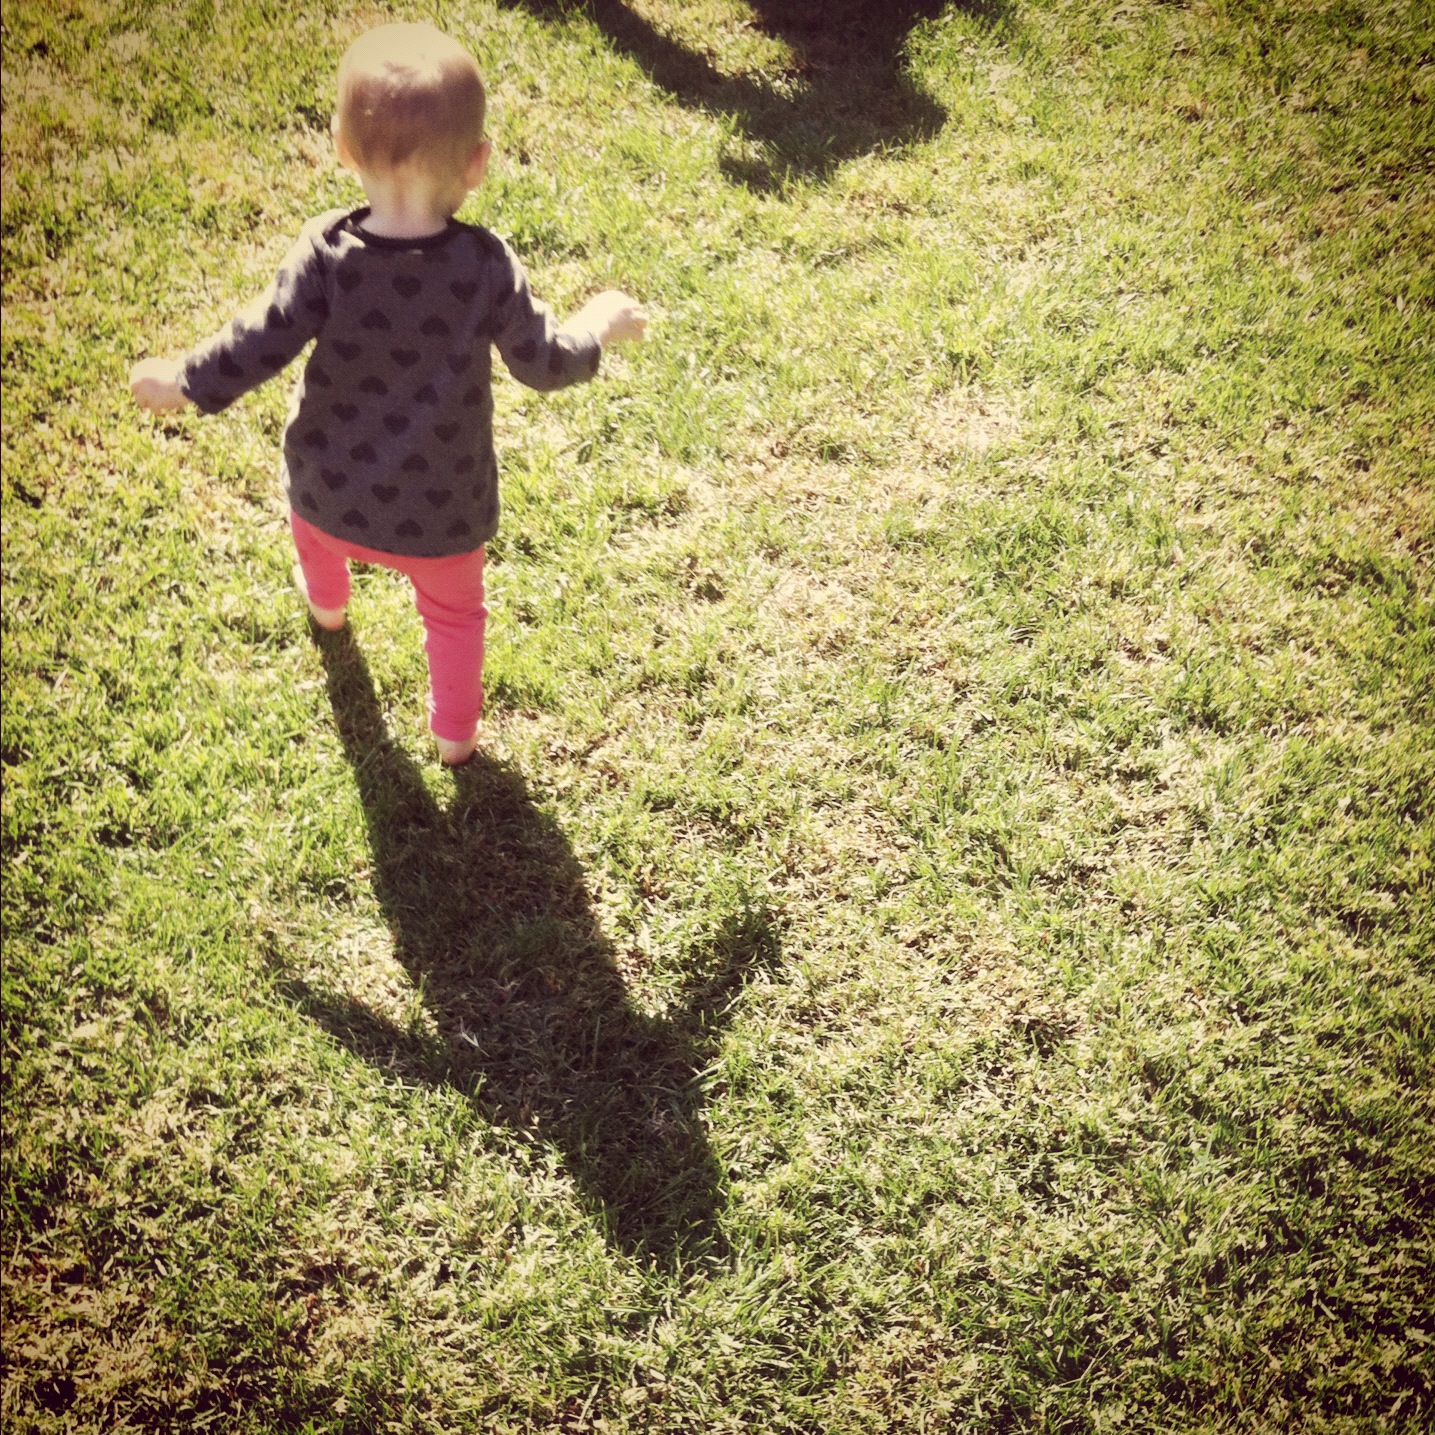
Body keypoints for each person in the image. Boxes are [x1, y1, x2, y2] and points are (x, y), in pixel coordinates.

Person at [130, 22, 647, 765]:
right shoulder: (485, 265)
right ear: (477, 164)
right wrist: (597, 325)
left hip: (327, 490)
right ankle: (454, 738)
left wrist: (183, 379)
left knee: (314, 539)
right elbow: (542, 362)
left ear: (341, 148)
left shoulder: (325, 253)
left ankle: (327, 606)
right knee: (455, 617)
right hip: (443, 508)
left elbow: (257, 341)